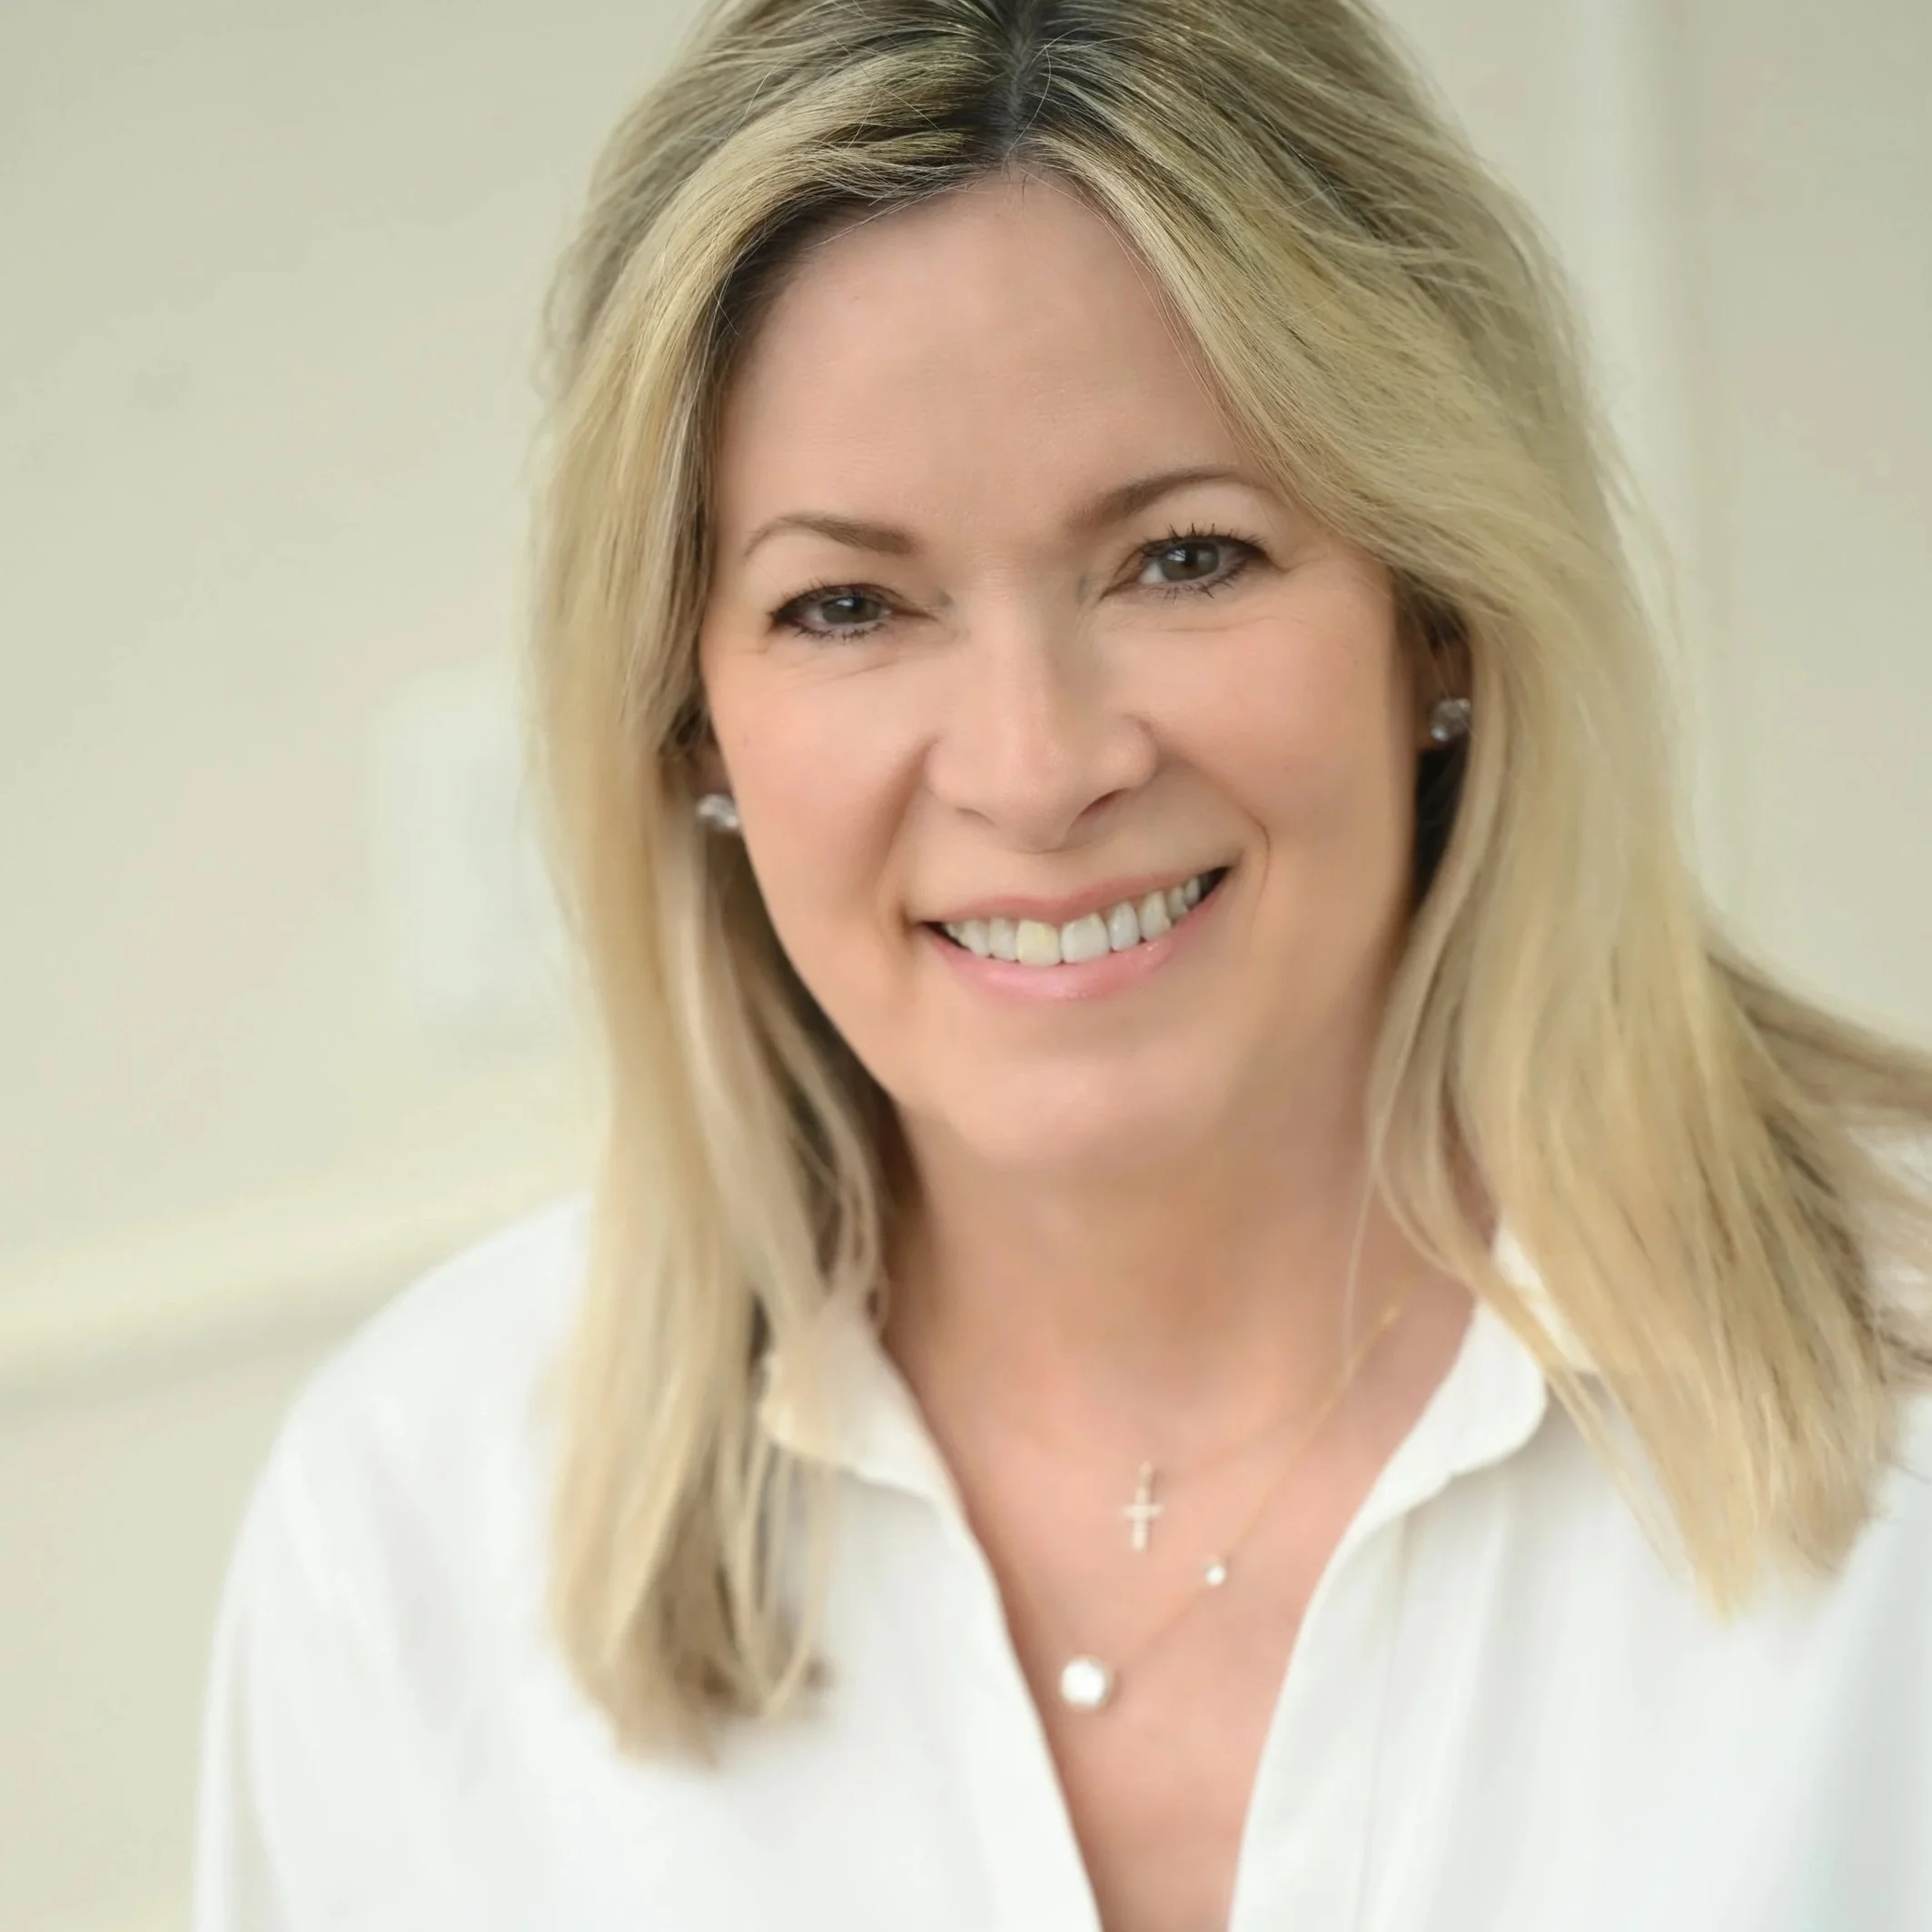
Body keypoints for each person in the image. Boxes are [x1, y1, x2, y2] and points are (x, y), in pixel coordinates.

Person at [190, 1, 1932, 1927]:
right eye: (845, 603)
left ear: (1438, 616)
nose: (1035, 767)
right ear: (693, 729)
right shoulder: (410, 1526)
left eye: (1182, 558)